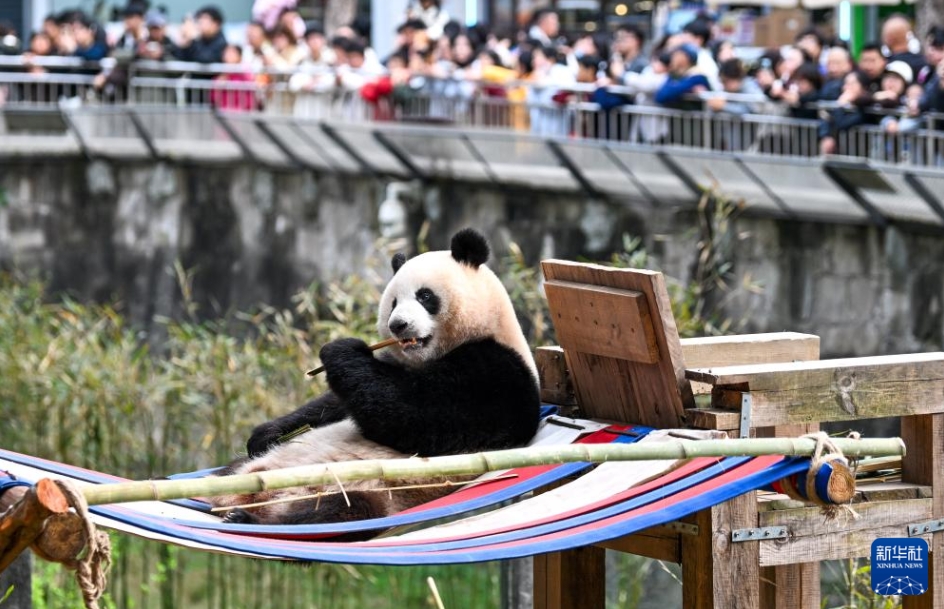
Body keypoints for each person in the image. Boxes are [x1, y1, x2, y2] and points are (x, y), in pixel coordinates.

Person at [655, 43, 712, 110]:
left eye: (676, 55)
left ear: (685, 57)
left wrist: (675, 86)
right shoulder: (676, 75)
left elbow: (668, 94)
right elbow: (660, 96)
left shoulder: (698, 77)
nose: (672, 58)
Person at [210, 44, 257, 111]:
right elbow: (214, 98)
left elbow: (250, 93)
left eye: (232, 52)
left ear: (239, 56)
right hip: (224, 111)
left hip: (243, 112)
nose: (229, 55)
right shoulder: (220, 75)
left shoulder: (245, 73)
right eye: (227, 52)